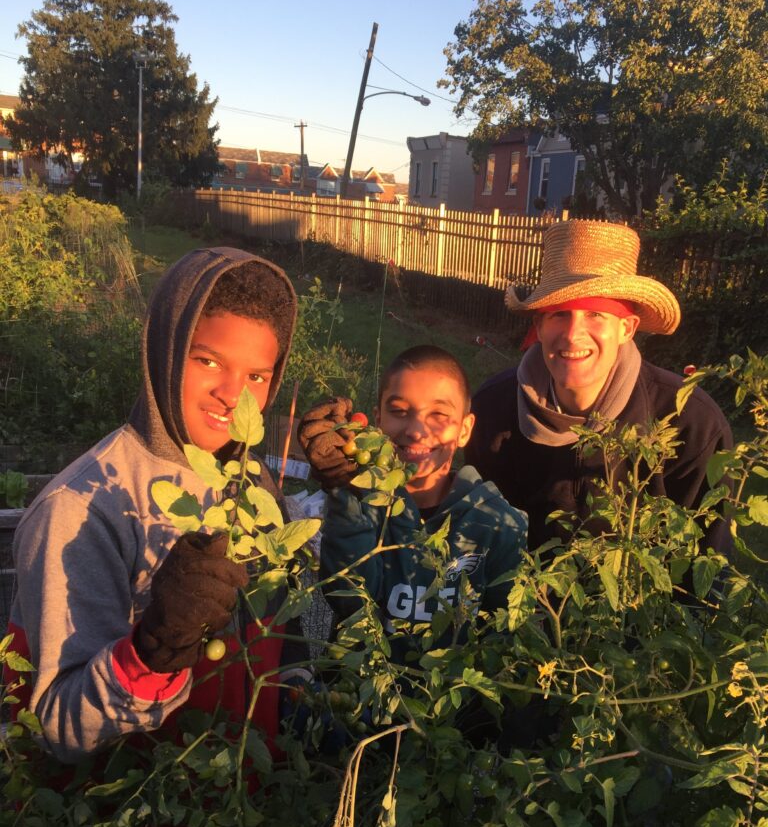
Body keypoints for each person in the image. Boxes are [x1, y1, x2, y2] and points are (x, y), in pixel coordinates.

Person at [7, 247, 303, 762]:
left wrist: (353, 496)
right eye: (208, 361)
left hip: (242, 812)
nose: (233, 395)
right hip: (139, 821)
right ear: (166, 350)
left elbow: (288, 620)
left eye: (256, 376)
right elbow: (54, 728)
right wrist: (153, 650)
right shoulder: (81, 510)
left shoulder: (250, 480)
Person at [465, 219, 733, 551]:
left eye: (596, 314)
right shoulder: (492, 411)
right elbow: (477, 545)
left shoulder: (689, 423)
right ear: (539, 325)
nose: (573, 334)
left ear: (627, 328)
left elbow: (704, 567)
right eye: (559, 314)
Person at [298, 345, 528, 657]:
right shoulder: (363, 501)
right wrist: (343, 492)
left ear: (465, 429)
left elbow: (506, 639)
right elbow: (350, 602)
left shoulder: (498, 525)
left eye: (439, 414)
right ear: (378, 420)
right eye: (400, 412)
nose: (417, 430)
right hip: (359, 697)